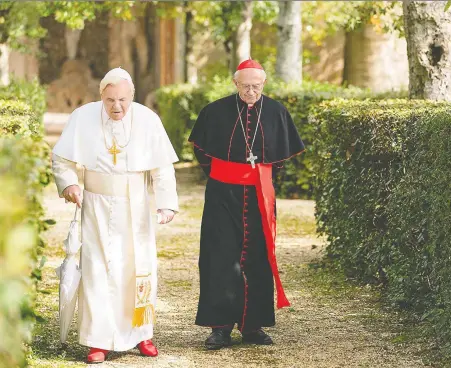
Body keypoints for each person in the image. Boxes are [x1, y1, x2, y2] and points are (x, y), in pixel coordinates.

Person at [52, 67, 179, 363]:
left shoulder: (148, 119)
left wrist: (166, 204)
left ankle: (142, 334)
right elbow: (62, 159)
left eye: (123, 100)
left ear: (132, 96)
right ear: (101, 96)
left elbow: (162, 168)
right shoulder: (83, 116)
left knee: (138, 269)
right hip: (96, 205)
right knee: (98, 272)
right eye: (110, 100)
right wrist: (69, 183)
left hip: (136, 207)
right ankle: (98, 340)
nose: (117, 107)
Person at [188, 59, 305, 350]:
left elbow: (280, 159)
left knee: (258, 257)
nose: (251, 91)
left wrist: (258, 176)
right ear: (235, 84)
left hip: (259, 195)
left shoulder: (276, 111)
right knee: (219, 257)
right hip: (222, 195)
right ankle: (220, 328)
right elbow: (202, 152)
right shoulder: (214, 111)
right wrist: (225, 177)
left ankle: (253, 326)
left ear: (263, 84)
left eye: (256, 86)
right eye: (245, 86)